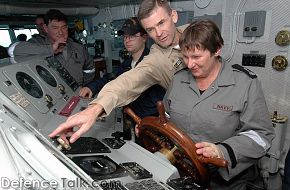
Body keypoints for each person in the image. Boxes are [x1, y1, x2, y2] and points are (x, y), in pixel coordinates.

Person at [49, 0, 186, 143]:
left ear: (174, 16)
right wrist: (95, 109)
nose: (158, 33)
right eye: (151, 29)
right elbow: (127, 81)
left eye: (161, 23)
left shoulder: (198, 34)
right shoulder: (155, 60)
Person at [162, 20, 274, 189]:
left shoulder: (245, 83)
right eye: (185, 57)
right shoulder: (178, 80)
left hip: (226, 183)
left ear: (217, 49)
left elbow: (261, 136)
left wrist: (222, 151)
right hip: (182, 174)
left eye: (197, 57)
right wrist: (152, 129)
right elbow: (166, 119)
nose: (190, 64)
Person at [79, 17, 166, 141]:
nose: (127, 40)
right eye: (125, 36)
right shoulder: (127, 63)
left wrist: (137, 118)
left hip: (147, 124)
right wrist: (91, 87)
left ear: (144, 37)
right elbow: (110, 78)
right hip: (130, 119)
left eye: (132, 36)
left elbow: (158, 103)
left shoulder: (152, 63)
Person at [11, 9, 94, 85]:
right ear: (46, 28)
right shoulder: (38, 43)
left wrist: (84, 85)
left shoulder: (78, 47)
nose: (61, 32)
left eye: (64, 27)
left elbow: (90, 69)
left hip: (77, 93)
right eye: (55, 28)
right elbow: (13, 50)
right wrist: (50, 49)